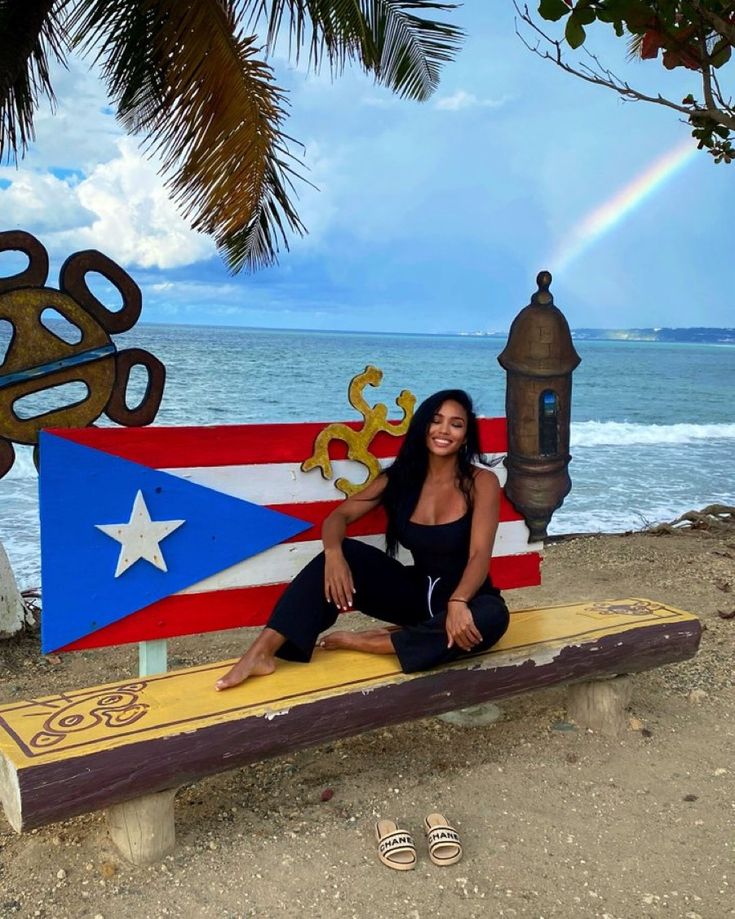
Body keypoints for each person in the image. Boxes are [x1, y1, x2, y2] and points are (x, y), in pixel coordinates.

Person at [215, 389, 510, 691]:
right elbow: (337, 518)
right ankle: (260, 653)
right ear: (423, 425)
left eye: (456, 424)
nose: (444, 431)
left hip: (469, 599)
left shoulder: (481, 482)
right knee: (345, 552)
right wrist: (333, 554)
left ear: (465, 435)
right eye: (436, 421)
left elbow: (479, 555)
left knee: (493, 618)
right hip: (416, 597)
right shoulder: (399, 480)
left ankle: (374, 642)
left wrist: (459, 602)